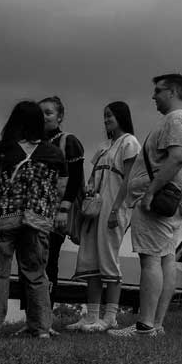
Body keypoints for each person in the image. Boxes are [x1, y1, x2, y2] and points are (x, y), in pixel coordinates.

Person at [110, 73, 182, 338]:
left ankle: (145, 325)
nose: (153, 96)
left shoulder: (175, 119)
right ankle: (155, 324)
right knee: (166, 259)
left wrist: (149, 193)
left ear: (172, 92)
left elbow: (177, 157)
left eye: (158, 91)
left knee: (151, 261)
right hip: (170, 202)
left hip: (157, 202)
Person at [0, 100, 70, 339]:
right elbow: (60, 189)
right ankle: (41, 329)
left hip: (4, 218)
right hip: (37, 220)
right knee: (36, 274)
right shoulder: (54, 153)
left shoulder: (3, 149)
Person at [70, 102, 139, 332]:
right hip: (95, 208)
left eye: (110, 115)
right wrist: (89, 189)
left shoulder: (129, 142)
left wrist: (116, 209)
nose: (106, 119)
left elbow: (129, 179)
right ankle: (91, 315)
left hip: (113, 207)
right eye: (104, 115)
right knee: (90, 259)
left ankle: (110, 316)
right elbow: (91, 178)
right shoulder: (103, 147)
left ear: (121, 116)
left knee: (108, 259)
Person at [37, 96, 87, 300]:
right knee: (32, 261)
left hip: (56, 210)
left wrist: (64, 210)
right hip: (34, 209)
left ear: (60, 117)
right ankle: (32, 316)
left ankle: (44, 316)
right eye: (39, 113)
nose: (43, 117)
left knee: (49, 260)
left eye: (48, 113)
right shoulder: (35, 143)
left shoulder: (68, 141)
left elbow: (75, 179)